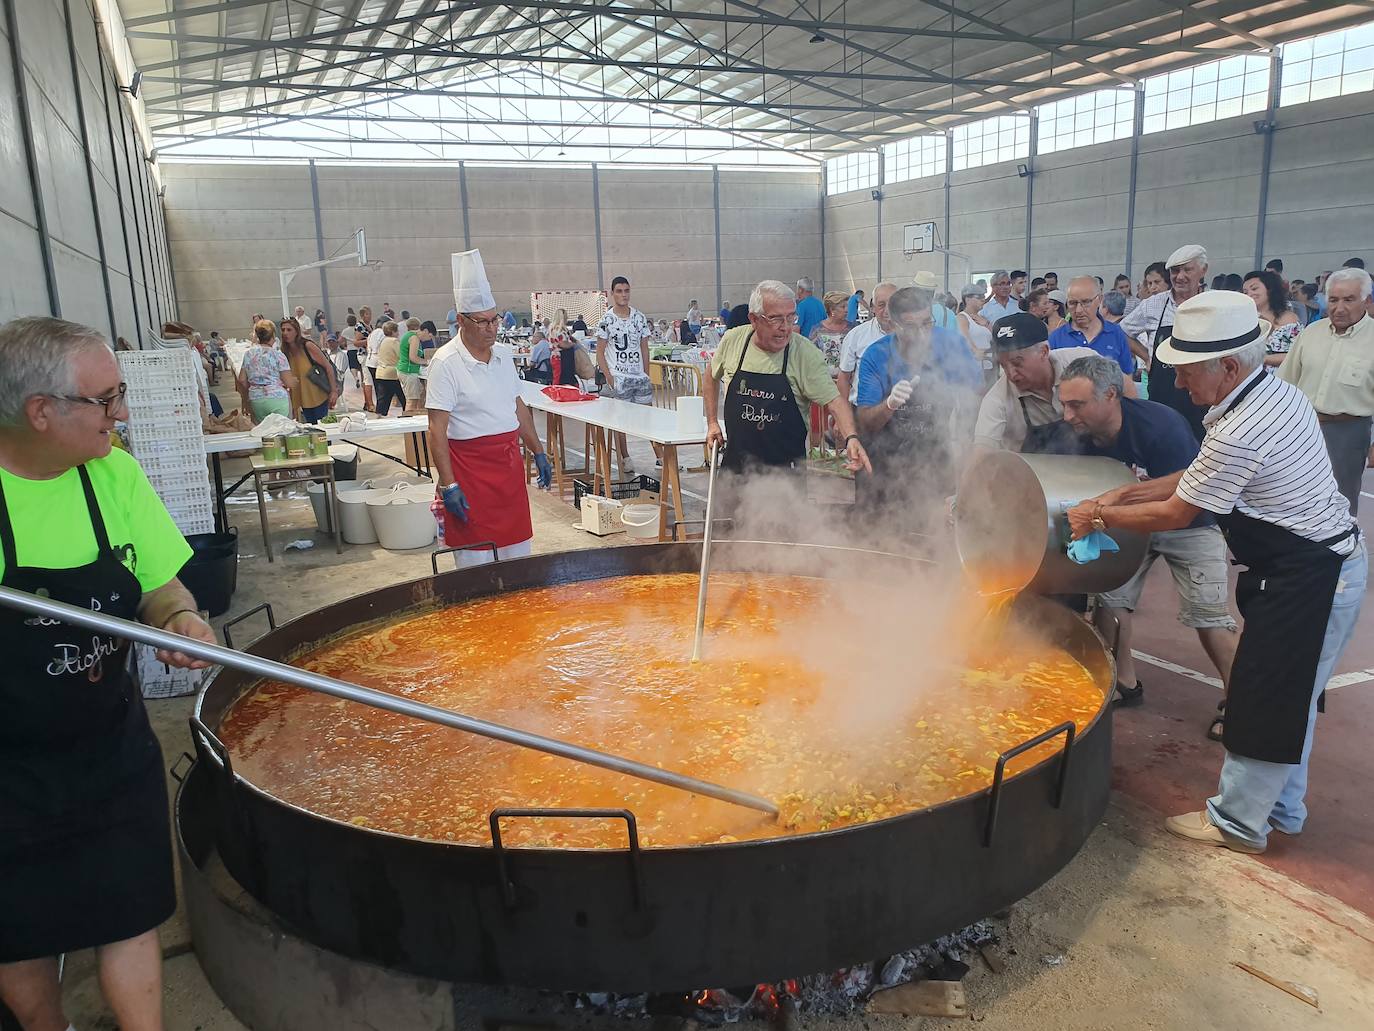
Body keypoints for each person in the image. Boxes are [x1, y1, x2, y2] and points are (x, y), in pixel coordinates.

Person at [1066, 291, 1366, 855]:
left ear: (1228, 365)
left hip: (1313, 574)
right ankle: (1281, 809)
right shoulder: (1272, 393)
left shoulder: (1240, 427)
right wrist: (1124, 490)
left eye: (1186, 372)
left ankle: (1237, 822)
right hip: (1319, 564)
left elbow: (1181, 510)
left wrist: (1099, 512)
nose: (1178, 384)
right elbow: (1193, 474)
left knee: (1264, 694)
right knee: (1290, 696)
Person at [0, 317, 216, 1031]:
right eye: (106, 398)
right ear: (41, 412)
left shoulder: (112, 471)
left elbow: (161, 584)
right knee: (19, 930)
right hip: (10, 772)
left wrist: (179, 618)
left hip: (110, 747)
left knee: (130, 911)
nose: (121, 412)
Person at [1059, 355, 1238, 715]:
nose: (1067, 415)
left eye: (1077, 405)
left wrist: (1110, 509)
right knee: (1110, 602)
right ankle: (1120, 681)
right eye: (1064, 405)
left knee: (1209, 615)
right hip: (1121, 523)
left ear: (1111, 395)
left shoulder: (1161, 426)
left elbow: (1184, 500)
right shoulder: (1076, 434)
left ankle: (1242, 703)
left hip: (1188, 522)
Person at [427, 249, 553, 568]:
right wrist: (448, 483)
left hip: (508, 469)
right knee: (476, 567)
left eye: (494, 320)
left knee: (517, 561)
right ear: (461, 321)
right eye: (481, 322)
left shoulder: (503, 357)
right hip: (469, 472)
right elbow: (436, 429)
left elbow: (517, 407)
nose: (491, 328)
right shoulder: (446, 363)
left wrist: (538, 451)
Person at [702, 280, 868, 520]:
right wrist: (712, 423)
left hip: (786, 475)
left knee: (783, 547)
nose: (786, 328)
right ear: (754, 318)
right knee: (730, 541)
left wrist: (852, 437)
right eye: (776, 319)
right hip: (735, 468)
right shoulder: (733, 341)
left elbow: (834, 401)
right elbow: (710, 375)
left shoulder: (804, 353)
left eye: (791, 318)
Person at [855, 286, 982, 529]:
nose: (922, 334)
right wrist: (889, 404)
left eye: (927, 324)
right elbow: (866, 422)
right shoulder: (877, 355)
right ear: (893, 324)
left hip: (936, 458)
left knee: (935, 532)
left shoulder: (952, 345)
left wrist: (965, 446)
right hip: (886, 463)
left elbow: (975, 398)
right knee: (880, 534)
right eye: (911, 327)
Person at [1277, 266, 1374, 515]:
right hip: (1301, 428)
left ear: (1367, 301)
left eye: (1349, 300)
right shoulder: (1311, 333)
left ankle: (1341, 552)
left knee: (1339, 500)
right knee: (1291, 493)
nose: (1339, 307)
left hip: (1348, 433)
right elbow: (1284, 383)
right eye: (1333, 299)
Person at [974, 312, 1134, 454]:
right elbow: (982, 452)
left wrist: (1131, 440)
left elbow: (1125, 387)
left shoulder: (1080, 360)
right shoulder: (998, 399)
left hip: (1103, 461)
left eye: (1017, 363)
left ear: (1043, 351)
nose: (1010, 374)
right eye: (1003, 365)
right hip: (1040, 479)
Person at [1122, 244, 1211, 441]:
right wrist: (1146, 356)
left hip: (1203, 395)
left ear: (1203, 270)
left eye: (1187, 270)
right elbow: (1123, 331)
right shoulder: (1154, 304)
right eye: (1175, 271)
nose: (1180, 276)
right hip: (1163, 393)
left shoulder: (1212, 303)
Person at [595, 276, 656, 477]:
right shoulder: (606, 320)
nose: (623, 295)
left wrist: (646, 374)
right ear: (612, 293)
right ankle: (625, 456)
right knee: (621, 422)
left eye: (626, 290)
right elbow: (600, 352)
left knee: (648, 417)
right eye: (619, 291)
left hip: (638, 377)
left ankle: (660, 456)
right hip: (619, 377)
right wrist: (610, 378)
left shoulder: (639, 318)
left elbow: (644, 348)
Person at [1050, 276, 1135, 375]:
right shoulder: (1056, 339)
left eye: (1086, 302)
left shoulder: (1116, 333)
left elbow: (1127, 376)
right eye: (1072, 303)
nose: (1078, 310)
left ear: (1099, 300)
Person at [836, 282, 896, 405]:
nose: (887, 311)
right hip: (863, 411)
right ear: (872, 307)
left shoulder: (912, 335)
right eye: (881, 305)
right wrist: (842, 414)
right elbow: (844, 377)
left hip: (902, 414)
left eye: (893, 304)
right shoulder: (856, 336)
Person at [279, 316, 337, 424]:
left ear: (297, 331)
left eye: (289, 330)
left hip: (318, 395)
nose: (285, 333)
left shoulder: (307, 346)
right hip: (302, 398)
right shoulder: (285, 351)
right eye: (283, 330)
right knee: (310, 431)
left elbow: (328, 367)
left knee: (321, 431)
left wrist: (334, 391)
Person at [236, 319, 297, 422]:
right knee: (283, 431)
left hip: (256, 399)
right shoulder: (278, 355)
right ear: (273, 335)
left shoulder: (249, 354)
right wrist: (294, 381)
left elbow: (241, 379)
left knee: (262, 432)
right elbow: (288, 382)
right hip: (278, 398)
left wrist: (255, 387)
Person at [1241, 269, 1300, 368]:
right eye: (1245, 292)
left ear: (1270, 289)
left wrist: (1263, 359)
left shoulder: (1289, 318)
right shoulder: (1244, 319)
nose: (1249, 294)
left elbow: (1296, 355)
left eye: (1254, 289)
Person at [957, 282, 994, 378]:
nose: (983, 299)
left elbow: (995, 337)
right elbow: (964, 338)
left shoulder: (982, 318)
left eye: (984, 296)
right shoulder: (962, 317)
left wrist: (986, 324)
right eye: (979, 297)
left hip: (989, 367)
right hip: (972, 369)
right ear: (968, 299)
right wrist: (975, 350)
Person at [397, 318, 433, 414]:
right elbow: (413, 357)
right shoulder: (414, 338)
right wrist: (427, 362)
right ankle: (407, 424)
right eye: (430, 336)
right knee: (411, 401)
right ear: (425, 331)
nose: (429, 339)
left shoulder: (410, 336)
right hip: (408, 371)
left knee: (415, 399)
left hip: (406, 370)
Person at [810, 291, 852, 367]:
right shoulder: (817, 330)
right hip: (824, 376)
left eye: (847, 306)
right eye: (843, 307)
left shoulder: (852, 329)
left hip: (849, 377)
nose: (846, 310)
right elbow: (810, 357)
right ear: (832, 309)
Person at [372, 321, 406, 417]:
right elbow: (401, 355)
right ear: (393, 331)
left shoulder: (383, 341)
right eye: (397, 331)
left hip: (380, 372)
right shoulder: (394, 341)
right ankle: (407, 413)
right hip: (392, 373)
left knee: (383, 397)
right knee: (403, 396)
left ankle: (379, 415)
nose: (398, 333)